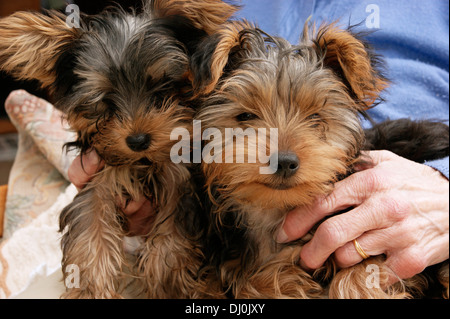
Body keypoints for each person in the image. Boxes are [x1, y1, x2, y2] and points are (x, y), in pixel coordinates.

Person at [69, 0, 449, 284]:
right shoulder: (199, 26)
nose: (279, 152)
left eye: (313, 118)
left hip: (412, 166)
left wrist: (443, 185)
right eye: (247, 118)